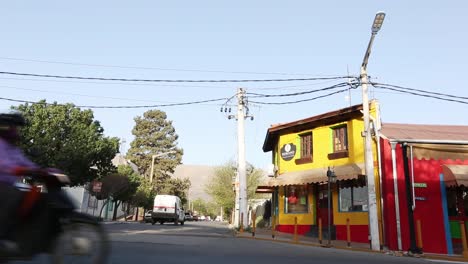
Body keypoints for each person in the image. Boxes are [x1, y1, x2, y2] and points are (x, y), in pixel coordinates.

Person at [0, 112, 40, 253]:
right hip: (2, 184)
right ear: (6, 127)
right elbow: (4, 164)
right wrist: (17, 169)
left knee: (31, 195)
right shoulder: (1, 144)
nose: (17, 131)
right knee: (14, 195)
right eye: (14, 128)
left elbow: (24, 162)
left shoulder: (14, 148)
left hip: (9, 184)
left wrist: (42, 170)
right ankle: (3, 236)